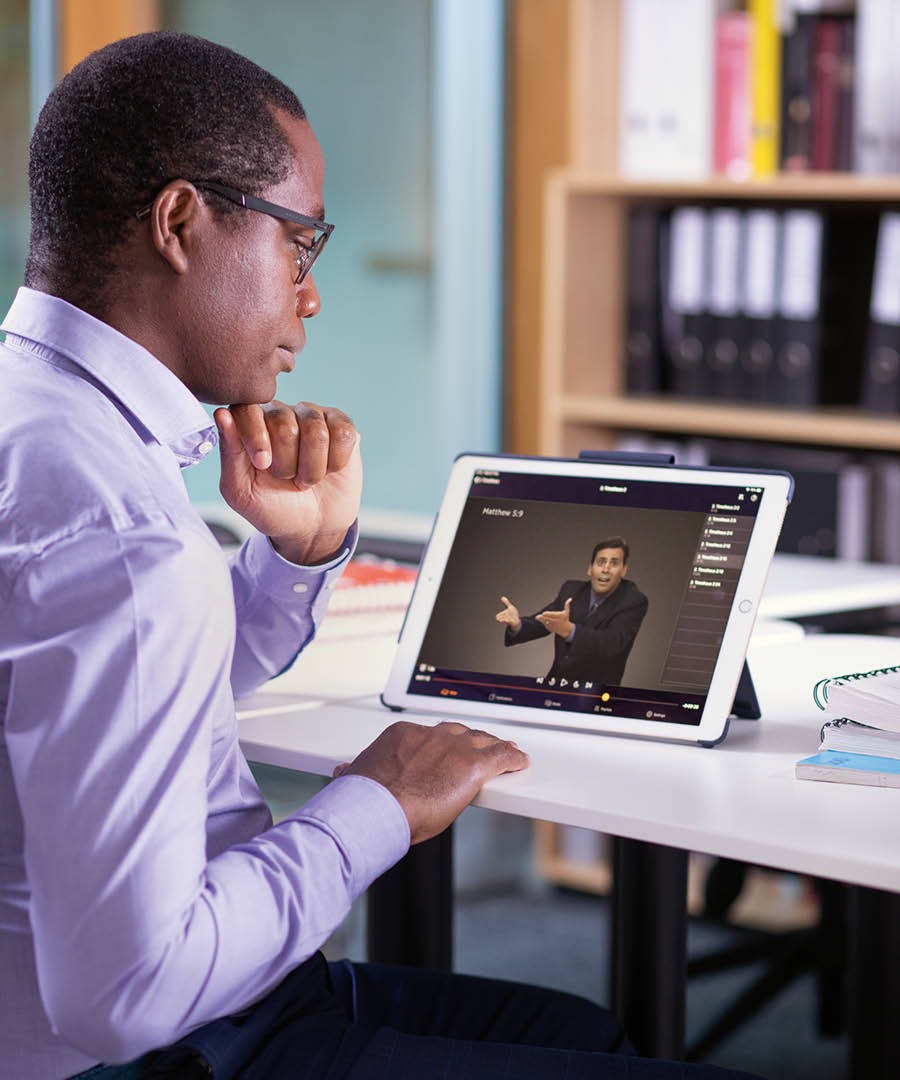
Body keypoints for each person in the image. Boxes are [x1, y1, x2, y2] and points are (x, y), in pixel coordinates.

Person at [0, 31, 764, 1079]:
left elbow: (93, 704)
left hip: (165, 994)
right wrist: (378, 805)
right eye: (297, 244)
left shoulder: (34, 423)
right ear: (180, 222)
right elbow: (127, 995)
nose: (310, 296)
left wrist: (295, 561)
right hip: (153, 1043)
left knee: (582, 1033)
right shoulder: (125, 542)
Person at [496, 538, 648, 688]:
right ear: (590, 568)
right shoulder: (572, 590)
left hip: (596, 696)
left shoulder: (633, 600)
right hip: (555, 686)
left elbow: (612, 643)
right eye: (601, 562)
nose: (606, 569)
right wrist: (518, 625)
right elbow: (544, 621)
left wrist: (569, 631)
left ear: (624, 570)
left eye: (614, 563)